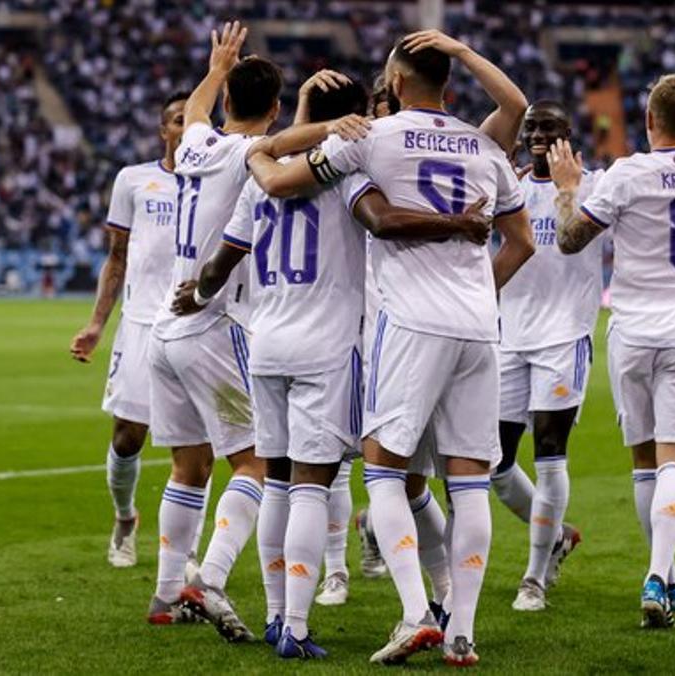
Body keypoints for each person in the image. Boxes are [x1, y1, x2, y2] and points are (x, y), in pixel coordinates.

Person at [177, 75, 490, 659]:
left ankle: (275, 614)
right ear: (354, 123)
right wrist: (458, 222)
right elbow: (384, 222)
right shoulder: (347, 174)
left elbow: (219, 267)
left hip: (266, 344)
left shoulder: (260, 179)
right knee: (311, 489)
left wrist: (196, 297)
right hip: (327, 349)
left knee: (275, 482)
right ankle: (295, 627)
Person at [245, 35, 535, 666]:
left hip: (408, 323)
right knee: (469, 481)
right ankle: (461, 632)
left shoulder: (372, 138)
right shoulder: (483, 146)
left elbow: (280, 177)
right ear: (449, 84)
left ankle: (411, 615)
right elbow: (522, 239)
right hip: (479, 326)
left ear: (397, 84)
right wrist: (477, 287)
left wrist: (268, 147)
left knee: (384, 470)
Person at [550, 73, 675, 629]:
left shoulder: (625, 175)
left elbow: (569, 239)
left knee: (645, 464)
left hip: (633, 335)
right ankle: (662, 576)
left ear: (648, 121)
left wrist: (567, 186)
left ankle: (665, 576)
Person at [142, 21, 275, 642]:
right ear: (273, 110)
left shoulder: (194, 144)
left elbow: (195, 108)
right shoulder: (255, 155)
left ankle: (166, 595)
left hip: (163, 332)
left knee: (188, 467)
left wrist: (217, 66)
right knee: (256, 462)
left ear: (226, 104)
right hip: (213, 322)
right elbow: (282, 145)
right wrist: (326, 122)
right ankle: (211, 576)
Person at [68, 92, 212, 571]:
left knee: (197, 445)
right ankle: (125, 517)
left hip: (197, 325)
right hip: (142, 324)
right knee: (128, 437)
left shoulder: (214, 179)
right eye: (177, 120)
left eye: (192, 120)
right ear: (164, 131)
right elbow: (118, 257)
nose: (185, 127)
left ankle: (187, 549)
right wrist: (95, 324)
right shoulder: (134, 180)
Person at [498, 101, 598, 612]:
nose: (537, 134)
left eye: (549, 128)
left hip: (564, 334)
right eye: (531, 126)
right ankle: (556, 535)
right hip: (507, 335)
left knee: (550, 447)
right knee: (494, 462)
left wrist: (568, 187)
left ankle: (534, 576)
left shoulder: (594, 185)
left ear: (568, 135)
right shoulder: (505, 183)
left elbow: (579, 241)